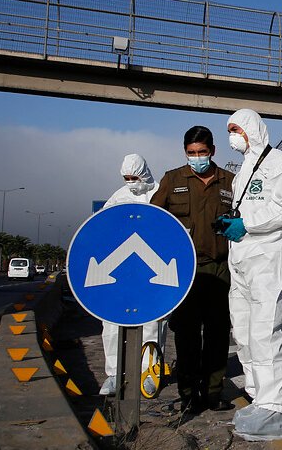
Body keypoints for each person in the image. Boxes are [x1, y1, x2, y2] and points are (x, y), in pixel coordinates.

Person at [220, 108, 282, 441]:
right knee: (244, 329)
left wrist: (247, 225)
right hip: (241, 257)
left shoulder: (279, 162)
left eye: (236, 129)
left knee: (266, 330)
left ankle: (273, 406)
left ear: (252, 129)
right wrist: (231, 225)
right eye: (230, 129)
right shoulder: (242, 172)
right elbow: (245, 209)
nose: (232, 136)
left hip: (267, 255)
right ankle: (257, 396)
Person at [150, 126, 236, 413]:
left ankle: (212, 393)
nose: (196, 158)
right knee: (186, 335)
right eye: (191, 153)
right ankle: (188, 395)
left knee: (217, 334)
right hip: (184, 270)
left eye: (201, 152)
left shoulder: (231, 182)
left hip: (220, 269)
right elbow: (155, 220)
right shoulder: (172, 179)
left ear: (212, 151)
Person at [99, 154, 167, 396]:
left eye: (135, 177)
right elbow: (104, 227)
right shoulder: (118, 197)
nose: (131, 182)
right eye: (126, 178)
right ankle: (114, 375)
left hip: (154, 270)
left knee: (153, 324)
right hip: (123, 270)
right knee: (111, 322)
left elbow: (170, 228)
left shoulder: (160, 193)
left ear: (145, 173)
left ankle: (149, 373)